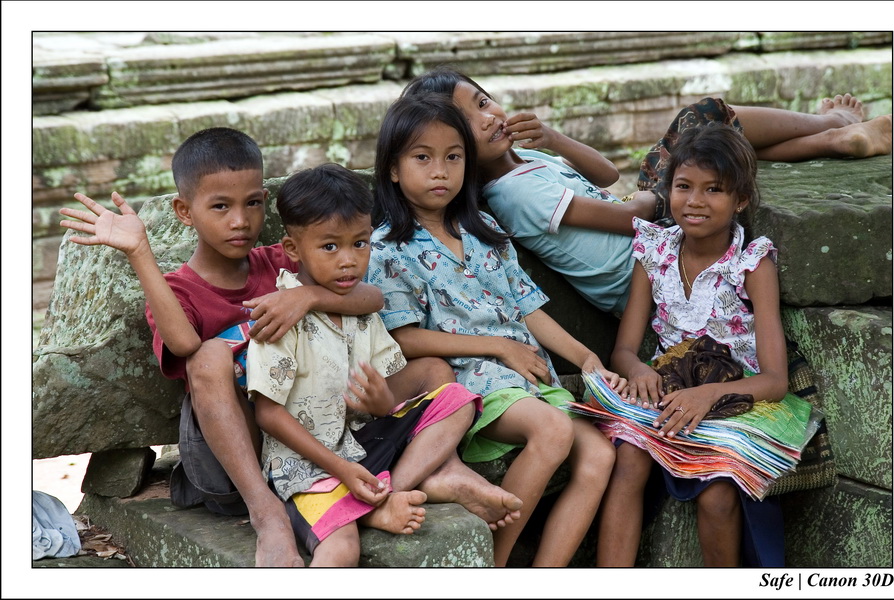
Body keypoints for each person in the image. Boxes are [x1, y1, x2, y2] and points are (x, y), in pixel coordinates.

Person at [58, 127, 386, 567]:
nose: (240, 220)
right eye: (220, 206)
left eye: (252, 203)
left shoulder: (280, 261)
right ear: (184, 211)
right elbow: (184, 343)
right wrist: (140, 252)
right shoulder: (179, 290)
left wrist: (306, 295)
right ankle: (267, 514)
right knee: (211, 354)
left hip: (305, 446)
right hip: (231, 465)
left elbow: (370, 297)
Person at [365, 94, 627, 567]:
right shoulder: (386, 249)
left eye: (453, 157)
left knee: (601, 453)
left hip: (528, 378)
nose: (440, 171)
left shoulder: (483, 228)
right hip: (466, 386)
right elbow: (404, 338)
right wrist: (499, 347)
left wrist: (588, 358)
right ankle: (496, 567)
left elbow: (527, 307)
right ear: (393, 169)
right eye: (422, 158)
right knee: (551, 431)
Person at [400, 66, 893, 316]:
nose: (490, 117)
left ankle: (834, 139)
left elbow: (605, 173)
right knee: (702, 120)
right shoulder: (512, 196)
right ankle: (831, 123)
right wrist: (657, 195)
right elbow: (626, 215)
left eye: (485, 101)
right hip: (649, 264)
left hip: (645, 228)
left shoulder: (527, 161)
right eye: (470, 119)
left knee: (704, 154)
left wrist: (551, 138)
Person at [248, 163, 523, 566]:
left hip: (365, 448)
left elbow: (384, 402)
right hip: (309, 467)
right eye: (330, 247)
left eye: (359, 244)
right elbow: (268, 415)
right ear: (293, 250)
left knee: (458, 399)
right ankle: (383, 501)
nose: (348, 261)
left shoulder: (362, 311)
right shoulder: (281, 317)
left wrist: (380, 402)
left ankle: (389, 493)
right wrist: (340, 469)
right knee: (341, 549)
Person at [604, 122, 792, 567]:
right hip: (667, 387)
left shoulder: (752, 264)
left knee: (718, 495)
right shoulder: (655, 252)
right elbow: (624, 351)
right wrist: (640, 372)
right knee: (628, 458)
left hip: (737, 393)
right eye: (684, 186)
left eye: (714, 190)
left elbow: (775, 380)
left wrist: (707, 394)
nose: (695, 201)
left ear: (740, 200)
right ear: (668, 191)